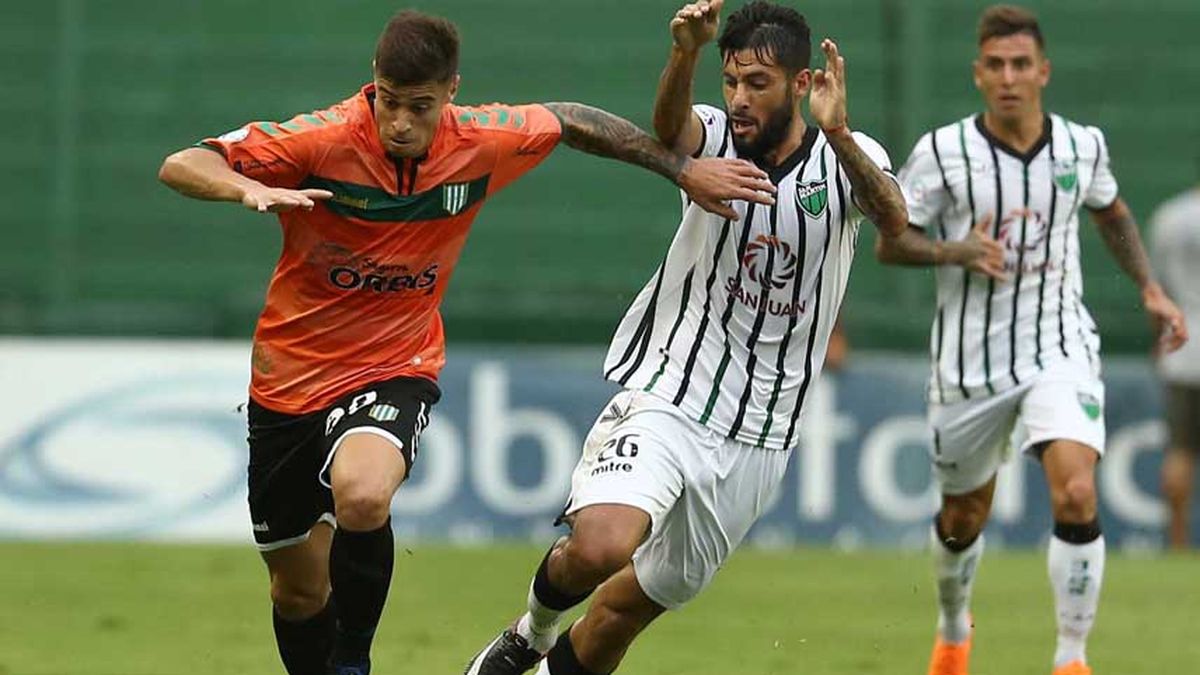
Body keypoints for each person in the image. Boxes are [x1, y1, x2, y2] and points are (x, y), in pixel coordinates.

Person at [157, 9, 777, 675]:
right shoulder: (323, 138)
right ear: (373, 83)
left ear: (451, 92)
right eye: (389, 103)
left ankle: (354, 663)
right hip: (289, 378)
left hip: (395, 364)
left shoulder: (482, 139)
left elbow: (568, 117)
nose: (399, 122)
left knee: (364, 494)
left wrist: (681, 170)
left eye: (418, 107)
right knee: (298, 588)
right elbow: (182, 163)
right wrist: (244, 185)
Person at [465, 2, 907, 673]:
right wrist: (685, 54)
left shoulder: (848, 158)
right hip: (675, 390)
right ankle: (531, 631)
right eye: (731, 81)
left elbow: (894, 218)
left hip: (763, 435)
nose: (738, 98)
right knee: (602, 544)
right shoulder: (714, 136)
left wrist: (839, 133)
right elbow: (668, 129)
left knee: (623, 612)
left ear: (800, 83)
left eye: (756, 82)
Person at [877, 5, 1188, 675]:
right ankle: (955, 627)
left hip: (1059, 344)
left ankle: (1072, 658)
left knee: (1076, 492)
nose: (1009, 77)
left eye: (1022, 65)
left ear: (1043, 71)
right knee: (963, 517)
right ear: (978, 74)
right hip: (968, 363)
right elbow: (891, 241)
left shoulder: (1083, 146)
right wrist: (958, 251)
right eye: (996, 65)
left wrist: (1150, 288)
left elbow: (1112, 212)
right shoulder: (943, 151)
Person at [1149, 180, 1200, 549]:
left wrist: (1159, 339)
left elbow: (1157, 290)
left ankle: (1177, 542)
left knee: (1180, 450)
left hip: (1184, 347)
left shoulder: (1171, 216)